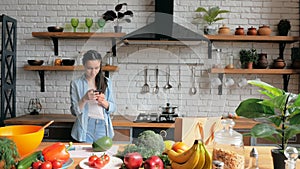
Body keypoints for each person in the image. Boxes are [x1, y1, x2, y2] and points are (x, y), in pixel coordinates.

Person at [70, 50, 116, 143]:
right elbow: (75, 112)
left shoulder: (107, 82)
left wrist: (104, 102)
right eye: (89, 68)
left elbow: (113, 107)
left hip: (103, 127)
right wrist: (84, 99)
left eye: (96, 68)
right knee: (85, 156)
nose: (93, 72)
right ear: (84, 65)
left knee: (102, 156)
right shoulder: (76, 84)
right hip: (85, 127)